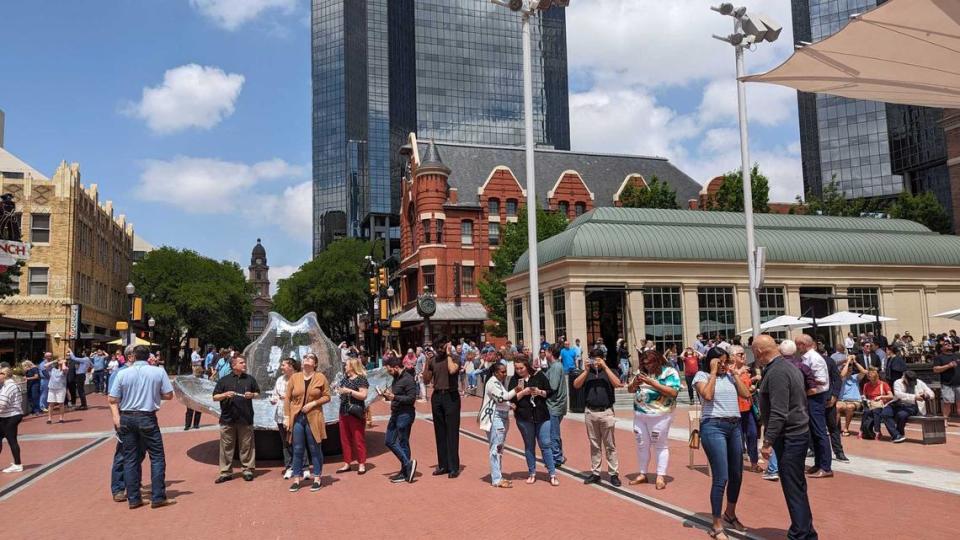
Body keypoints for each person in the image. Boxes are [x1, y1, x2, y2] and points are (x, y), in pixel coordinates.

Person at [753, 335, 817, 540]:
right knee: (796, 484)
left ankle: (800, 533)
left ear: (760, 352)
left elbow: (779, 411)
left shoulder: (778, 372)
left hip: (789, 435)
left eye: (754, 351)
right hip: (796, 431)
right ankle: (805, 530)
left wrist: (768, 441)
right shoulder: (789, 367)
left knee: (792, 485)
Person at [693, 347, 752, 539]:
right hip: (713, 426)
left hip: (734, 425)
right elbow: (707, 396)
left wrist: (734, 374)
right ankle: (716, 524)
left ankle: (730, 513)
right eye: (720, 361)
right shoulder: (701, 376)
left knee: (737, 474)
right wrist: (712, 372)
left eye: (725, 361)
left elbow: (746, 395)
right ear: (711, 361)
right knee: (721, 477)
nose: (723, 365)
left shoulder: (728, 376)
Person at [107, 345, 176, 509]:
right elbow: (169, 395)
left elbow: (112, 398)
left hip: (127, 417)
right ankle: (158, 496)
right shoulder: (158, 372)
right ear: (148, 357)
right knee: (157, 457)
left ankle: (134, 498)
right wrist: (153, 393)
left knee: (130, 458)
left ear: (134, 356)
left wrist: (117, 416)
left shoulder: (122, 373)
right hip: (147, 417)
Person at [628, 349, 680, 490]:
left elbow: (673, 392)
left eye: (650, 363)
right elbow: (630, 390)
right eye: (644, 364)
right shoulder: (641, 372)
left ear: (657, 361)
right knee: (641, 444)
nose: (647, 366)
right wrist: (635, 383)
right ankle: (642, 473)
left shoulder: (669, 372)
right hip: (640, 415)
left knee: (660, 445)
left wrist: (652, 383)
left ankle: (660, 476)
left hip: (660, 415)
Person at [573, 348, 622, 487]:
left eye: (598, 359)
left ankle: (613, 474)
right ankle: (595, 473)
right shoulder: (587, 373)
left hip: (606, 412)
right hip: (590, 412)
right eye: (593, 358)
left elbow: (618, 383)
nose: (595, 362)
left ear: (602, 358)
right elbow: (576, 385)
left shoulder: (609, 371)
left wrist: (605, 367)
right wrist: (587, 370)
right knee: (594, 445)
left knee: (610, 445)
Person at [508, 356, 558, 486]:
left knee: (546, 444)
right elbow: (511, 399)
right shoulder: (514, 379)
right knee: (529, 445)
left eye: (521, 368)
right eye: (517, 368)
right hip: (524, 417)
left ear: (527, 366)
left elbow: (550, 392)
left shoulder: (539, 375)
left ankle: (552, 473)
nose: (519, 370)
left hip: (542, 415)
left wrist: (539, 392)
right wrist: (524, 392)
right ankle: (532, 472)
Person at [285, 352, 330, 492]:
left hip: (313, 416)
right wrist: (287, 416)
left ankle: (317, 477)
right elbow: (287, 399)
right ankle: (297, 478)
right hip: (297, 417)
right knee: (297, 448)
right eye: (305, 357)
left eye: (310, 357)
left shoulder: (320, 377)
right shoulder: (295, 377)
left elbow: (327, 396)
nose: (307, 359)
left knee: (315, 448)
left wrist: (313, 403)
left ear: (315, 363)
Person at [212, 355, 260, 484]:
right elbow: (215, 397)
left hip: (246, 417)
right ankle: (225, 472)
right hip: (228, 418)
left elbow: (258, 393)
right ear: (234, 365)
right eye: (241, 362)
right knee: (226, 446)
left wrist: (253, 395)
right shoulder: (224, 380)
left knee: (246, 446)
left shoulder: (250, 379)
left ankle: (247, 469)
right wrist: (225, 394)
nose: (244, 364)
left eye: (244, 362)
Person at [422, 340, 461, 478]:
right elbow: (426, 380)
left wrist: (449, 354)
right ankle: (443, 465)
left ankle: (454, 467)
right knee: (440, 432)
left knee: (452, 432)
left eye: (442, 347)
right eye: (437, 347)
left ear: (447, 347)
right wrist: (427, 363)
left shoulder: (455, 358)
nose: (439, 350)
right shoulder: (433, 360)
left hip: (451, 396)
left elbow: (452, 370)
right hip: (437, 396)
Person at [795, 335, 832, 479]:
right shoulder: (805, 358)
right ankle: (818, 463)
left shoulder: (814, 358)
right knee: (813, 432)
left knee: (819, 431)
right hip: (810, 397)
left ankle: (825, 466)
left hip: (816, 397)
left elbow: (822, 380)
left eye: (798, 344)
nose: (797, 348)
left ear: (804, 345)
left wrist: (803, 379)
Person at [478, 361, 517, 488]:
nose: (505, 374)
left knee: (499, 448)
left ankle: (498, 475)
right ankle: (496, 479)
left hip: (502, 416)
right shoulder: (492, 382)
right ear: (495, 372)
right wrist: (516, 390)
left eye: (506, 371)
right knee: (496, 448)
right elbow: (501, 398)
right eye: (502, 372)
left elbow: (501, 401)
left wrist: (509, 405)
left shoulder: (499, 382)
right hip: (495, 418)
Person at [382, 356, 418, 483]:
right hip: (395, 413)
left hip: (405, 414)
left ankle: (405, 471)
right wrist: (387, 396)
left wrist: (394, 397)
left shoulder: (408, 379)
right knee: (389, 440)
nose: (389, 373)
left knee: (403, 442)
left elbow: (411, 398)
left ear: (396, 367)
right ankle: (408, 465)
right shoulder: (395, 378)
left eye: (390, 370)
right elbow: (395, 396)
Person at [730, 345, 762, 473]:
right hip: (735, 409)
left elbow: (746, 388)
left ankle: (754, 463)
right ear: (732, 357)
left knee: (753, 434)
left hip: (747, 408)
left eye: (744, 354)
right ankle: (736, 464)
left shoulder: (747, 370)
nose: (743, 356)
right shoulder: (729, 371)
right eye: (740, 354)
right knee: (737, 439)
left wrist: (752, 383)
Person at [336, 357, 369, 475]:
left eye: (346, 365)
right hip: (344, 411)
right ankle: (347, 463)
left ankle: (361, 463)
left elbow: (364, 395)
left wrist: (349, 391)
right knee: (344, 439)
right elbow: (342, 391)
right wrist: (339, 390)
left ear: (352, 367)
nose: (345, 366)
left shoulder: (361, 379)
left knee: (358, 438)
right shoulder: (345, 378)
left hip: (355, 412)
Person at [882, 371, 934, 443]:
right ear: (904, 378)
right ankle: (896, 435)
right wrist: (915, 397)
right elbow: (898, 394)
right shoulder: (897, 382)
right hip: (896, 404)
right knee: (885, 413)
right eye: (909, 381)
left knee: (901, 415)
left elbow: (931, 394)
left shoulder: (919, 382)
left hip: (911, 406)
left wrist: (925, 395)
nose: (911, 383)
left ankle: (898, 435)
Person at [270, 358, 298, 479]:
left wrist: (287, 397)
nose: (281, 367)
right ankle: (289, 466)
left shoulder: (299, 379)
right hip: (281, 415)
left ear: (291, 366)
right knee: (285, 442)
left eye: (283, 365)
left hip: (295, 415)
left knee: (298, 441)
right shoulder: (280, 379)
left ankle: (303, 465)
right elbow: (274, 394)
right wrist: (273, 399)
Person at [544, 344, 567, 467]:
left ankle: (556, 458)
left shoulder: (556, 367)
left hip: (554, 405)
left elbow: (552, 386)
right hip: (556, 405)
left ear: (551, 352)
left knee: (553, 433)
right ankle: (558, 455)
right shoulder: (554, 366)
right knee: (554, 432)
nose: (544, 353)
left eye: (546, 351)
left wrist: (541, 389)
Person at [0, 367, 24, 473]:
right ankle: (17, 464)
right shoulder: (7, 385)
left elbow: (2, 403)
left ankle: (18, 465)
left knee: (11, 439)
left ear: (5, 375)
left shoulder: (9, 386)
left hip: (11, 416)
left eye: (0, 373)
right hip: (7, 416)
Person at [860, 369, 894, 440]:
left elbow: (891, 396)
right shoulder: (866, 385)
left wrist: (881, 397)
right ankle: (862, 431)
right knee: (866, 412)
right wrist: (864, 399)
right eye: (869, 379)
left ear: (877, 378)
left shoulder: (883, 384)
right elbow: (864, 395)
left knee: (876, 411)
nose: (871, 382)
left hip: (880, 404)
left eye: (873, 380)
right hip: (870, 404)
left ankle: (877, 431)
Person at [837, 355, 866, 436]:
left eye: (850, 367)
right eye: (847, 367)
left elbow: (864, 372)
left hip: (855, 401)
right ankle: (835, 428)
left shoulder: (855, 377)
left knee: (850, 407)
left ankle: (846, 428)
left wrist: (855, 362)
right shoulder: (841, 378)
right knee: (837, 407)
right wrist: (847, 362)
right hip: (842, 400)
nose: (849, 368)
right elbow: (842, 375)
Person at [932, 339, 960, 418]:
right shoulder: (939, 357)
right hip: (947, 384)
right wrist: (948, 366)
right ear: (941, 348)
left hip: (959, 384)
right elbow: (935, 369)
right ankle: (945, 420)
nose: (949, 344)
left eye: (949, 343)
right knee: (947, 404)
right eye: (946, 344)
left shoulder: (957, 355)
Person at [45, 356, 68, 424]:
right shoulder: (53, 369)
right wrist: (55, 361)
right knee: (51, 404)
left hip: (60, 388)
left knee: (61, 404)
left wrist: (63, 362)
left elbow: (64, 369)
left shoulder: (66, 368)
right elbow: (45, 365)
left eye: (61, 361)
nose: (60, 362)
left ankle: (61, 418)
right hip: (52, 388)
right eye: (59, 361)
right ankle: (49, 419)